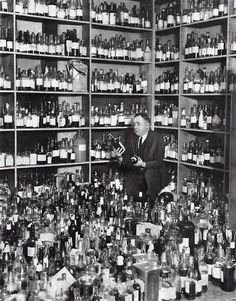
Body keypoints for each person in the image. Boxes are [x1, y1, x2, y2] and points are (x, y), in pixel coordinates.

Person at [115, 112, 168, 203]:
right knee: (128, 179)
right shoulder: (131, 138)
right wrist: (120, 158)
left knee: (149, 174)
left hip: (153, 172)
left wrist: (143, 164)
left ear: (147, 125)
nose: (135, 127)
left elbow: (159, 162)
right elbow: (128, 161)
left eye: (138, 124)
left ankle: (152, 204)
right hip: (136, 172)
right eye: (134, 124)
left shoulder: (157, 138)